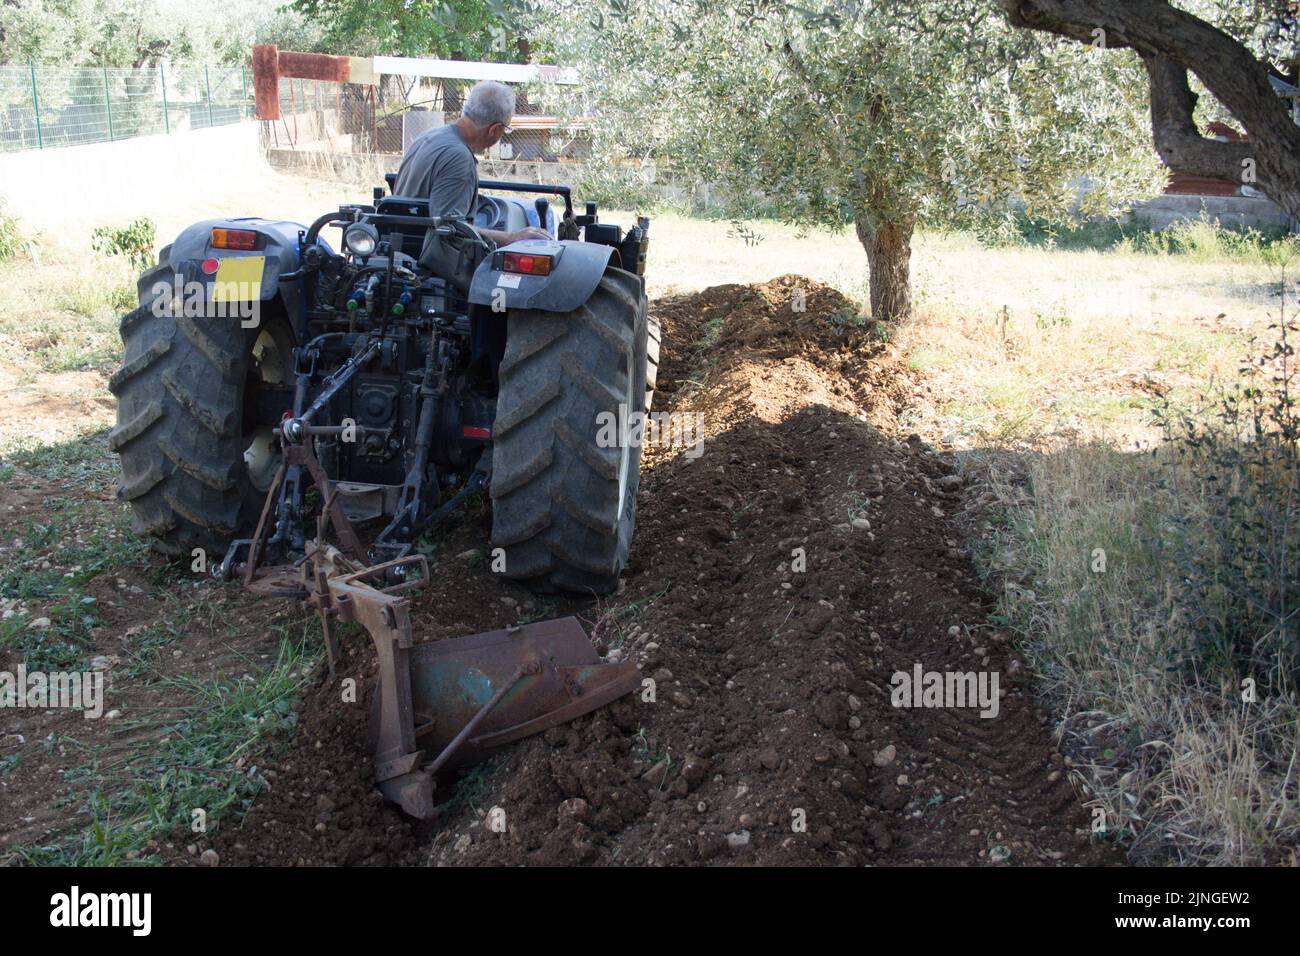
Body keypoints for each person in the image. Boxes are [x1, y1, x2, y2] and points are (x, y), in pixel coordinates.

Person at [393, 80, 549, 247]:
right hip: (425, 259)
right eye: (505, 129)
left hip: (398, 245)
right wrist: (510, 238)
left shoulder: (429, 136)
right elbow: (450, 230)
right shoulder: (458, 157)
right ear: (494, 129)